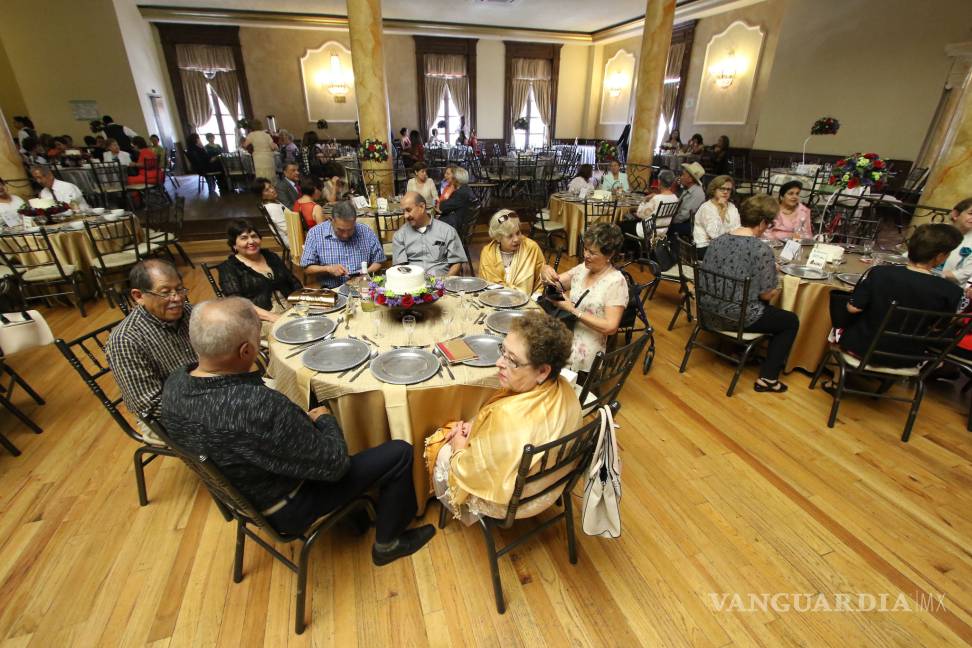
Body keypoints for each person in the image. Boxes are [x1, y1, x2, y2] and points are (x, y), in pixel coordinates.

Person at [160, 297, 436, 565]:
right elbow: (335, 464)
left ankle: (359, 515)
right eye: (257, 340)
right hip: (286, 506)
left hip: (241, 495)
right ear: (245, 351)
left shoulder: (174, 383)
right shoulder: (256, 406)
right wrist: (325, 419)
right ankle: (389, 543)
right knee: (400, 452)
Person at [425, 311, 582, 524]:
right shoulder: (565, 388)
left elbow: (470, 472)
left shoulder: (508, 419)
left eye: (512, 361)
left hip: (517, 500)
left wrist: (459, 447)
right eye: (503, 351)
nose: (499, 362)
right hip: (555, 482)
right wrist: (477, 426)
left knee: (442, 441)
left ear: (543, 371)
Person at [825, 224, 963, 384]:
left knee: (837, 326)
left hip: (862, 349)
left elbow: (852, 308)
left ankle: (835, 381)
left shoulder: (880, 273)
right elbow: (938, 328)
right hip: (909, 358)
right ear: (940, 257)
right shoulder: (952, 291)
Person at [700, 194, 800, 393]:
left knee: (752, 300)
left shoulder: (718, 241)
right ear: (762, 222)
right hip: (736, 317)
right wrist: (774, 278)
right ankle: (768, 379)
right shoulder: (760, 249)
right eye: (769, 223)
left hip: (708, 311)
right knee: (790, 321)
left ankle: (740, 351)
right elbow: (766, 295)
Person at [107, 259, 196, 442]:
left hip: (207, 391)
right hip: (168, 417)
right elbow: (151, 407)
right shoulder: (126, 341)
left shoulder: (190, 312)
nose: (177, 298)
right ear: (138, 296)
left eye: (179, 289)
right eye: (165, 292)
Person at [540, 222, 627, 373]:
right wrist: (545, 271)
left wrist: (573, 310)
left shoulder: (616, 282)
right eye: (585, 248)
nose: (586, 255)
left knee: (538, 353)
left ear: (609, 255)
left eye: (592, 253)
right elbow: (556, 285)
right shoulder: (583, 269)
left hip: (586, 346)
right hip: (566, 330)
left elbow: (610, 327)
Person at [217, 219, 302, 324]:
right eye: (244, 238)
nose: (251, 241)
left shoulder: (271, 256)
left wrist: (303, 305)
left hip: (292, 310)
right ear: (234, 244)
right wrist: (274, 318)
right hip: (260, 319)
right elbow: (238, 303)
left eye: (254, 236)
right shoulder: (229, 268)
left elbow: (294, 282)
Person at [301, 200, 386, 288]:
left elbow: (379, 261)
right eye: (340, 230)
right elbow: (306, 268)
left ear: (355, 221)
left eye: (350, 230)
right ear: (331, 220)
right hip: (330, 290)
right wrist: (328, 269)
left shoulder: (365, 231)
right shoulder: (315, 233)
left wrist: (365, 273)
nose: (345, 235)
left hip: (361, 288)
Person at [392, 192, 466, 276]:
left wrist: (445, 280)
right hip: (413, 281)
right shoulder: (400, 235)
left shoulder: (447, 231)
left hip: (441, 280)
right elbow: (400, 267)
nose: (405, 215)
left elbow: (457, 262)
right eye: (403, 211)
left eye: (409, 210)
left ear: (422, 207)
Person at [478, 210, 545, 295]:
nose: (516, 239)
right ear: (498, 237)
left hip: (528, 301)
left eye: (518, 233)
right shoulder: (488, 253)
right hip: (496, 300)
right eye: (510, 236)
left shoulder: (531, 248)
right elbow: (488, 286)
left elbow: (541, 282)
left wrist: (534, 299)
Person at [624, 168, 679, 240]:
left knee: (622, 224)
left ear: (659, 182)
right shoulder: (675, 198)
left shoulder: (657, 198)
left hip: (647, 231)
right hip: (663, 231)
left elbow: (640, 214)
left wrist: (644, 200)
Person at [693, 175, 740, 257]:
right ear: (714, 189)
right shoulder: (706, 208)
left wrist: (729, 234)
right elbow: (715, 235)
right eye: (722, 188)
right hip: (706, 247)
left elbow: (737, 228)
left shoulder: (732, 207)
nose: (725, 192)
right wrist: (723, 210)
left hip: (727, 244)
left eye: (728, 189)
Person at [668, 162, 706, 242]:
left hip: (690, 225)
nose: (680, 177)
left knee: (665, 228)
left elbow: (684, 215)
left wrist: (669, 221)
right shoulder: (688, 189)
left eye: (683, 175)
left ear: (690, 179)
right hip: (683, 221)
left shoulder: (697, 193)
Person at [252, 177, 290, 248]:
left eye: (270, 186)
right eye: (266, 190)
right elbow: (287, 229)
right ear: (261, 195)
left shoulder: (273, 201)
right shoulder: (272, 208)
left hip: (289, 234)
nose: (272, 190)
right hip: (289, 239)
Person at [943, 197, 972, 286]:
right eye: (971, 213)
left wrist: (937, 274)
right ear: (955, 214)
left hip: (950, 287)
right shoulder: (935, 230)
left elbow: (965, 273)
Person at [437, 166, 474, 232]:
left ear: (457, 179)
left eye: (454, 177)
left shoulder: (461, 193)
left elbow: (442, 206)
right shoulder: (466, 189)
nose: (452, 178)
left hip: (455, 225)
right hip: (459, 220)